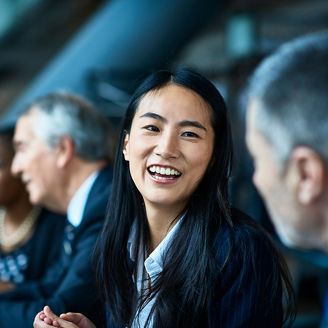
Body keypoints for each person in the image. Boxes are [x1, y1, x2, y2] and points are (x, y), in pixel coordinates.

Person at [34, 68, 295, 328]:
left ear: (215, 155)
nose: (167, 149)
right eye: (152, 127)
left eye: (189, 134)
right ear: (126, 144)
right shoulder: (115, 241)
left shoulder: (240, 251)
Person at [0, 92, 113, 328]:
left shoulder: (107, 207)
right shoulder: (88, 205)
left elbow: (63, 309)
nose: (16, 167)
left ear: (62, 149)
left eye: (21, 149)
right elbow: (48, 286)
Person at [0, 126, 66, 291]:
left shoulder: (58, 222)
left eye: (0, 165)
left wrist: (8, 289)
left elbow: (57, 295)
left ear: (21, 166)